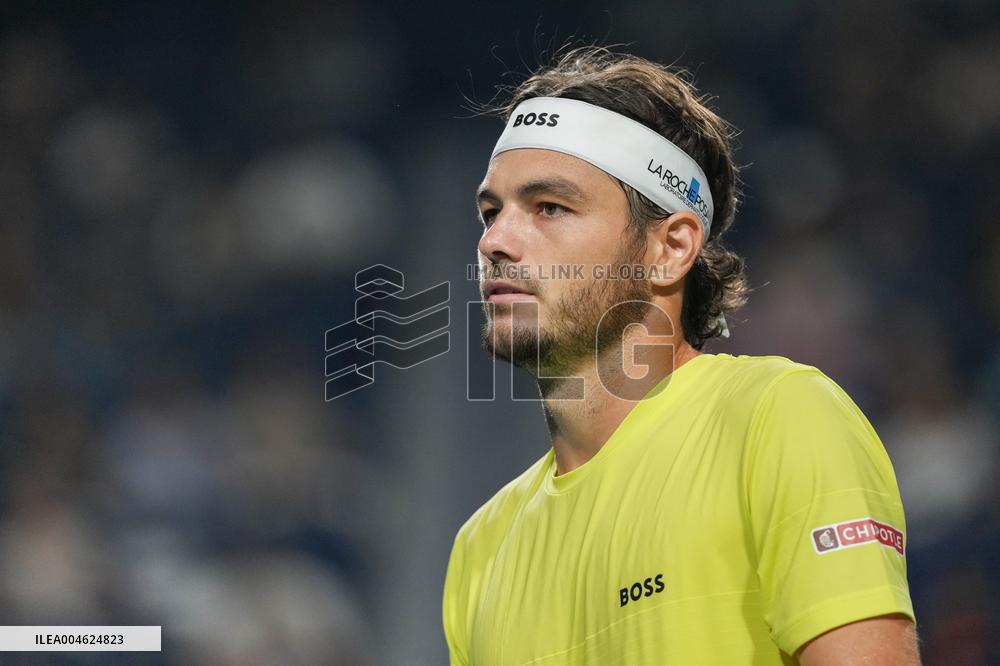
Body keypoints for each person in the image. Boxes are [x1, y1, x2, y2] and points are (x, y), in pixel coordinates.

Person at [442, 47, 919, 665]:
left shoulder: (778, 419)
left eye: (550, 207)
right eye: (491, 211)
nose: (495, 241)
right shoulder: (480, 548)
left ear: (670, 248)